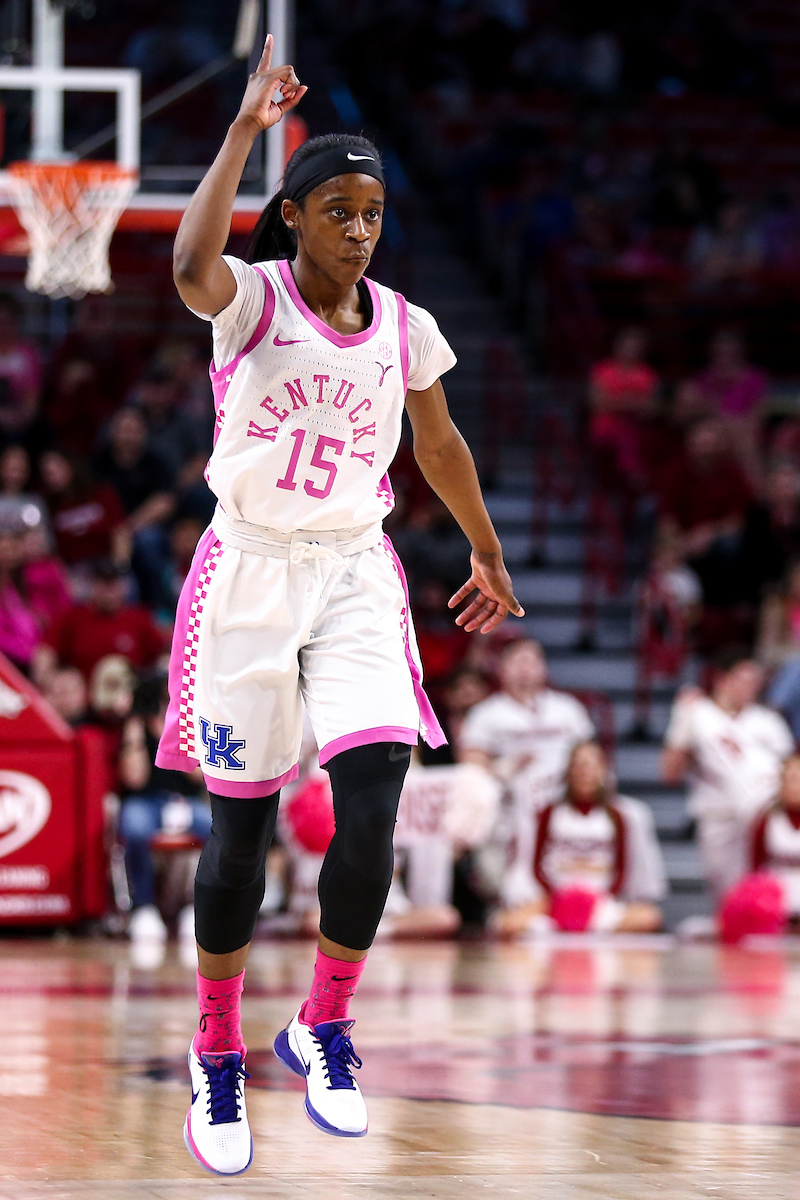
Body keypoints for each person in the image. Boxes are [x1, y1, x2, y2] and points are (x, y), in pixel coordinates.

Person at [157, 37, 523, 1175]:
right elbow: (188, 263)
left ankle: (322, 1023)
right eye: (340, 213)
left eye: (373, 215)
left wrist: (485, 546)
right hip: (249, 575)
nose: (361, 231)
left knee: (372, 802)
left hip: (356, 569)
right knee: (240, 837)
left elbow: (439, 441)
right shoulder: (252, 300)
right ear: (295, 217)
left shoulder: (405, 323)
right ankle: (217, 1046)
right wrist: (241, 130)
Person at [460, 638, 594, 906]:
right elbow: (470, 765)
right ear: (502, 669)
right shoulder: (485, 714)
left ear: (544, 668)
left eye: (532, 661)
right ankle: (505, 905)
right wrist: (505, 768)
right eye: (518, 661)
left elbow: (591, 755)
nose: (525, 668)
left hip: (563, 800)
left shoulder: (568, 709)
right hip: (509, 805)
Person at [494, 740, 665, 936]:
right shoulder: (549, 814)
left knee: (649, 917)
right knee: (505, 923)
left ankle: (583, 926)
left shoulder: (618, 816)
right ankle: (573, 926)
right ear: (568, 771)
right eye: (580, 765)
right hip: (554, 900)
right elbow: (536, 866)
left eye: (593, 765)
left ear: (604, 770)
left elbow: (621, 870)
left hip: (601, 902)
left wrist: (596, 899)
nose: (586, 772)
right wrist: (558, 898)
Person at [661, 647, 794, 895]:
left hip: (765, 817)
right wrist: (680, 725)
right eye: (743, 680)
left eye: (755, 682)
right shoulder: (699, 715)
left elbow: (790, 774)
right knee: (727, 896)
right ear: (722, 679)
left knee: (769, 891)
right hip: (719, 818)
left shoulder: (769, 721)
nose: (750, 688)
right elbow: (669, 774)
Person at [118, 676, 211, 946]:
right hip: (145, 801)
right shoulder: (136, 727)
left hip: (184, 800)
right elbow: (134, 779)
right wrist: (135, 729)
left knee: (214, 828)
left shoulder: (188, 722)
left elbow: (199, 776)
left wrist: (174, 733)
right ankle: (144, 906)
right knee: (134, 827)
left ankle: (196, 905)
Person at [33, 558, 164, 687]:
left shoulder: (139, 620)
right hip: (83, 696)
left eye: (113, 586)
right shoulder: (72, 618)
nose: (109, 594)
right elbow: (46, 653)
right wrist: (48, 684)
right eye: (103, 586)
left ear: (123, 586)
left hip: (129, 693)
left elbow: (161, 658)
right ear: (92, 586)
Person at [750, 753, 800, 920]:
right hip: (774, 896)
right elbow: (755, 864)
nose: (794, 787)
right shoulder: (768, 818)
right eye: (790, 780)